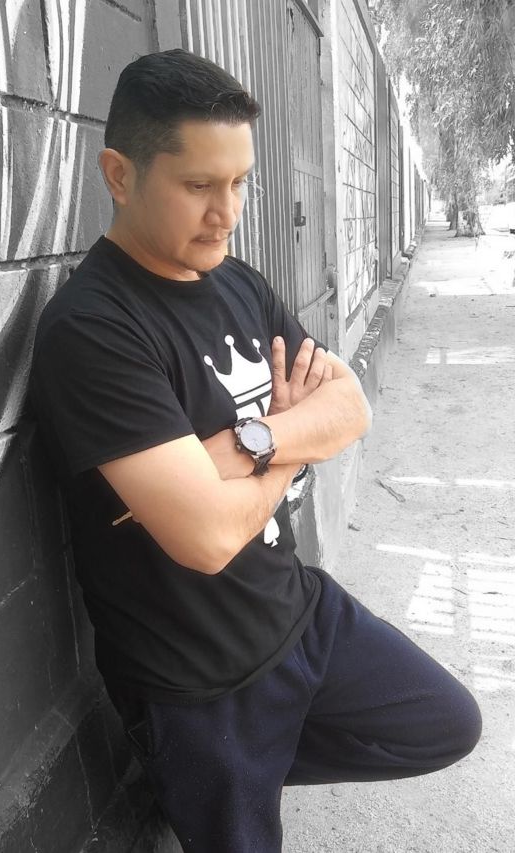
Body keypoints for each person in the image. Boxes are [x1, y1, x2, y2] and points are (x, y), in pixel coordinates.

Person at [28, 49, 481, 853]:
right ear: (120, 175)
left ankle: (247, 772)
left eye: (240, 182)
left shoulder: (238, 282)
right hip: (198, 688)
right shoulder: (92, 329)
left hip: (300, 612)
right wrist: (296, 446)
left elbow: (349, 405)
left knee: (446, 720)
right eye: (200, 185)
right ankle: (201, 774)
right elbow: (206, 537)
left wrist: (255, 442)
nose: (226, 212)